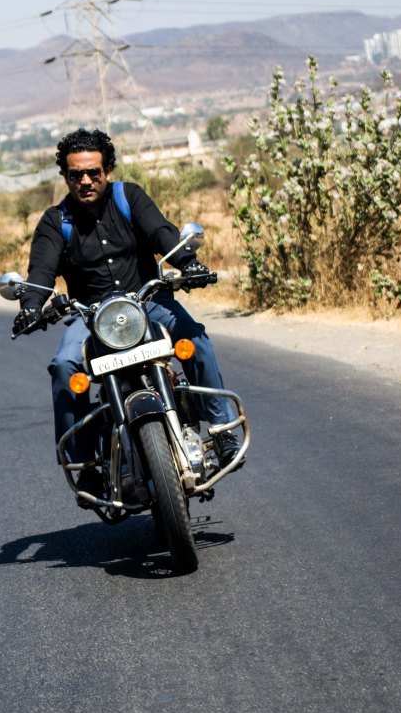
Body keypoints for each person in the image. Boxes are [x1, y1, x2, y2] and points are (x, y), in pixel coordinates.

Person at [13, 127, 242, 490]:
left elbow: (161, 233)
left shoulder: (128, 198)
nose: (86, 181)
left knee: (195, 339)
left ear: (108, 170)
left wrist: (188, 263)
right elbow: (40, 272)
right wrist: (30, 306)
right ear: (65, 176)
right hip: (90, 317)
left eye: (94, 172)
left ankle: (223, 429)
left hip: (148, 302)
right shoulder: (56, 221)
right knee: (63, 366)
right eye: (76, 175)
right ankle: (84, 463)